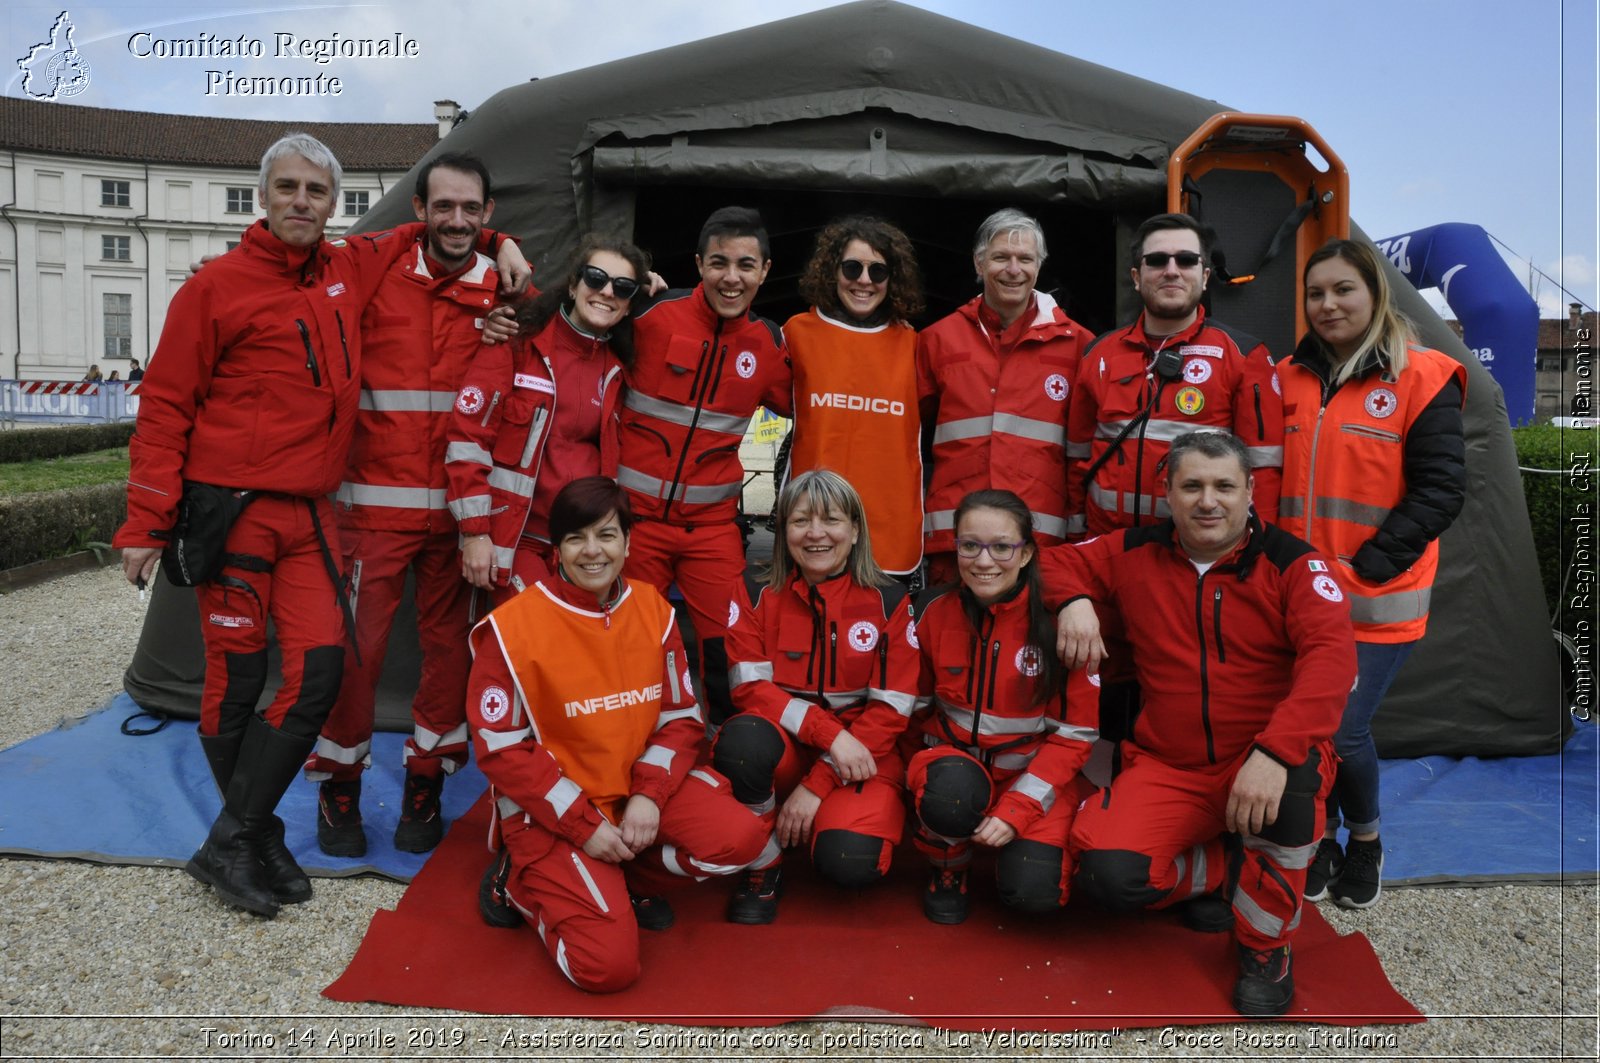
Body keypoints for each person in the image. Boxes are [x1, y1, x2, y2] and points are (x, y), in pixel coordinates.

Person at [112, 132, 527, 918]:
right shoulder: (214, 288)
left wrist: (504, 246)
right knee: (234, 679)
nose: (302, 202)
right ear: (263, 196)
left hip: (310, 511)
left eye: (317, 191)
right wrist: (145, 521)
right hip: (233, 509)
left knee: (319, 671)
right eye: (288, 188)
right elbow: (164, 405)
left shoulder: (348, 266)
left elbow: (440, 230)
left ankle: (241, 831)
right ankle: (245, 834)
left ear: (336, 207)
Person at [1044, 430, 1356, 1017]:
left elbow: (1331, 663)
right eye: (1191, 486)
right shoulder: (1132, 551)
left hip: (1262, 758)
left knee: (1292, 787)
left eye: (1223, 486)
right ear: (1167, 492)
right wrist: (1071, 601)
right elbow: (1049, 563)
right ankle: (1223, 867)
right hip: (1169, 764)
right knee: (1108, 877)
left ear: (1250, 492)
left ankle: (1266, 947)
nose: (1207, 501)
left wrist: (1276, 752)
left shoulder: (1294, 565)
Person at [465, 477, 773, 993]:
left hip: (633, 796)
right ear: (556, 549)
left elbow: (680, 719)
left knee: (741, 841)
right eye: (575, 538)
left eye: (606, 535)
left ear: (628, 543)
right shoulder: (511, 629)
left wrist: (649, 798)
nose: (592, 551)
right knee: (606, 970)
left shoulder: (653, 610)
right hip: (554, 813)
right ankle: (516, 881)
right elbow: (503, 752)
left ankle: (617, 875)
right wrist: (584, 826)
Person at [308, 153, 513, 858]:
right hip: (371, 513)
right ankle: (339, 783)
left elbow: (585, 310)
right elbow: (324, 251)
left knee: (449, 656)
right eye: (443, 206)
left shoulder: (509, 289)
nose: (457, 220)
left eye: (472, 210)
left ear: (488, 214)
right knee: (354, 656)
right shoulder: (376, 268)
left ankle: (427, 776)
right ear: (419, 211)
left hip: (460, 521)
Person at [1278, 238, 1466, 910]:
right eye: (1315, 294)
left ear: (1375, 294)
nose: (1327, 305)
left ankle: (1365, 837)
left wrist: (1369, 564)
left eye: (1342, 290)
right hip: (1297, 600)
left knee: (1340, 729)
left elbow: (1441, 490)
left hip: (1375, 601)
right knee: (1300, 722)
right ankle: (1319, 837)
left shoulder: (1423, 375)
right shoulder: (1286, 378)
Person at [711, 470, 920, 923]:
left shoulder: (891, 600)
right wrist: (829, 735)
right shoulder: (753, 592)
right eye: (801, 520)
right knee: (743, 739)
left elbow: (891, 711)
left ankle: (820, 820)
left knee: (849, 861)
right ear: (783, 528)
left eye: (831, 520)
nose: (816, 533)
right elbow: (748, 689)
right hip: (788, 751)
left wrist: (819, 782)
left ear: (856, 529)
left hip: (862, 755)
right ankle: (762, 857)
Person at [617, 206, 791, 727]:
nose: (731, 278)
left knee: (729, 647)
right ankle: (639, 746)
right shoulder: (648, 315)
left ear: (765, 271)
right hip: (636, 525)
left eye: (745, 265)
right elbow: (574, 325)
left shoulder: (772, 345)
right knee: (637, 646)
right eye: (718, 263)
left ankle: (727, 751)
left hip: (712, 530)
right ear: (698, 263)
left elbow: (817, 411)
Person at [907, 489, 1097, 924]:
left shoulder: (1060, 627)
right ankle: (948, 867)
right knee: (950, 791)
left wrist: (1017, 810)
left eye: (1002, 547)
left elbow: (1075, 736)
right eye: (970, 546)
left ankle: (1011, 845)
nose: (984, 561)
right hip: (953, 770)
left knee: (1034, 892)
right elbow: (910, 713)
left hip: (1031, 779)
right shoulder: (931, 611)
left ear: (1028, 553)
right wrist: (918, 785)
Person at [446, 235, 646, 607]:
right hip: (516, 539)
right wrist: (474, 534)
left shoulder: (620, 370)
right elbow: (467, 438)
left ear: (630, 304)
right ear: (573, 284)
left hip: (584, 549)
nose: (607, 291)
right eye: (595, 278)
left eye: (623, 286)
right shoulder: (518, 340)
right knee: (538, 643)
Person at [1067, 212, 1282, 537]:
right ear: (1137, 277)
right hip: (1106, 550)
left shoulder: (1244, 357)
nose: (1171, 271)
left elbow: (1263, 471)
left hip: (1195, 555)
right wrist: (1076, 542)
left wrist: (1255, 553)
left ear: (1205, 276)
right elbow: (1075, 462)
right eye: (1156, 260)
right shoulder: (1098, 354)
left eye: (1185, 260)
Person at [916, 208, 1093, 583]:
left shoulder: (1079, 346)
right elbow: (907, 439)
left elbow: (1085, 455)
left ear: (1039, 267)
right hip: (955, 540)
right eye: (1000, 258)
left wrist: (1079, 536)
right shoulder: (937, 340)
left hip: (1038, 543)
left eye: (1025, 259)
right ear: (979, 265)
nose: (1014, 269)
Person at [784, 216, 925, 578]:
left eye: (878, 271)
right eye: (852, 267)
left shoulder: (914, 345)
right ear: (832, 271)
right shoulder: (795, 334)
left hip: (889, 534)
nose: (864, 280)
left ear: (892, 279)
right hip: (814, 531)